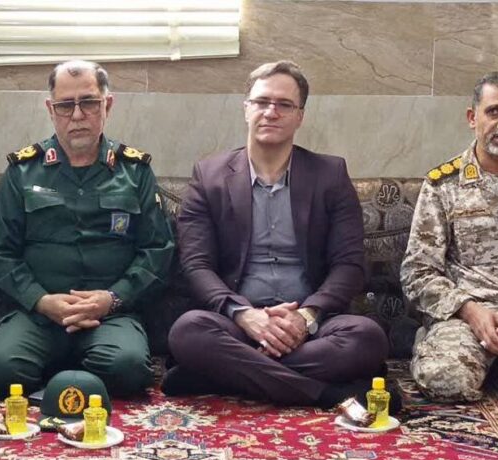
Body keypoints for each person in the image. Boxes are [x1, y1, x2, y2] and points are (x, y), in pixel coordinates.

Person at [163, 60, 392, 408]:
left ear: (300, 116)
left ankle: (215, 375)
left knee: (367, 338)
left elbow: (349, 265)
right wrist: (246, 315)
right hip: (237, 323)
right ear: (246, 108)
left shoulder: (330, 175)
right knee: (188, 330)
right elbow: (196, 265)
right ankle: (327, 394)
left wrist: (305, 317)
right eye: (262, 102)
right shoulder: (209, 176)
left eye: (284, 104)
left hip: (311, 326)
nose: (271, 112)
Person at [0, 60, 174, 397]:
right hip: (39, 314)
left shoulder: (134, 171)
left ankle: (64, 370)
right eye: (66, 105)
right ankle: (68, 367)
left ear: (107, 105)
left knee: (127, 369)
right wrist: (40, 300)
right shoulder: (23, 172)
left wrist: (112, 298)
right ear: (50, 109)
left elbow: (157, 251)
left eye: (89, 102)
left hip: (109, 314)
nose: (77, 115)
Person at [401, 72, 498, 402]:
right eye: (493, 111)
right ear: (473, 117)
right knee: (445, 378)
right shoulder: (443, 185)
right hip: (465, 321)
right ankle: (454, 353)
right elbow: (418, 272)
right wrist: (468, 310)